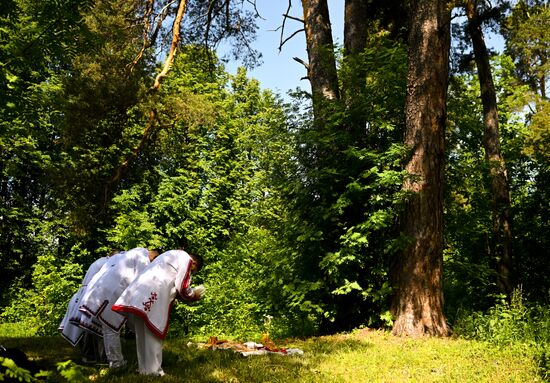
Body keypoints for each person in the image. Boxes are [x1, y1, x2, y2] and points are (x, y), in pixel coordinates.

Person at [112, 249, 205, 376]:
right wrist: (193, 295)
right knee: (153, 331)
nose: (190, 272)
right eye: (192, 271)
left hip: (141, 287)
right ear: (193, 263)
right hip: (155, 291)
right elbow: (182, 286)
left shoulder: (170, 254)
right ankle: (154, 371)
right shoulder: (186, 259)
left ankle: (144, 369)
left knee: (141, 331)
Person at [78, 247, 160, 369]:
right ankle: (118, 364)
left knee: (108, 329)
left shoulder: (122, 256)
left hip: (97, 291)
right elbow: (142, 282)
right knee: (112, 328)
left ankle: (116, 362)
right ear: (155, 257)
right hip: (110, 294)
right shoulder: (143, 258)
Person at [58, 251, 119, 363]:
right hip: (89, 296)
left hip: (83, 295)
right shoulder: (107, 263)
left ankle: (92, 357)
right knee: (89, 328)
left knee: (88, 328)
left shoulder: (102, 261)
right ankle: (91, 357)